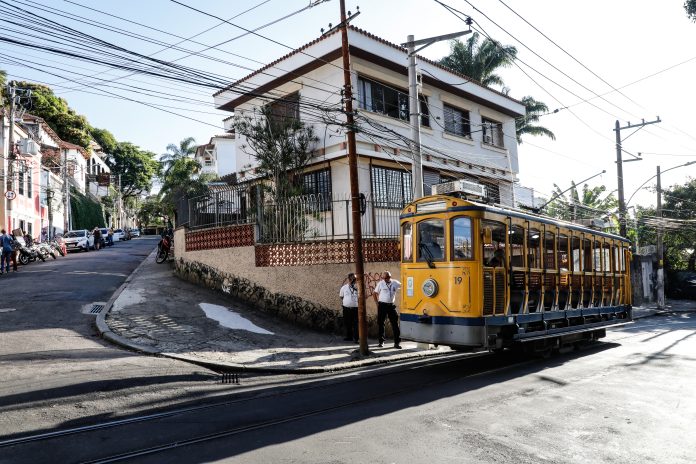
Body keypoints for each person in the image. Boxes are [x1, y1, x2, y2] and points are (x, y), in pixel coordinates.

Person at [373, 271, 402, 349]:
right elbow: (374, 293)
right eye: (384, 278)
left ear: (390, 277)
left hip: (391, 306)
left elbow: (404, 285)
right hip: (382, 305)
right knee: (381, 323)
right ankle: (381, 341)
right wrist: (377, 303)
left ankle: (397, 342)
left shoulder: (395, 283)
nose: (385, 279)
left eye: (387, 277)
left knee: (395, 323)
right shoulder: (381, 283)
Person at [339, 273, 359, 343]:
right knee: (348, 323)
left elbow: (362, 296)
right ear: (349, 279)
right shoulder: (344, 287)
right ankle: (349, 337)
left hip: (356, 308)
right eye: (352, 279)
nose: (353, 280)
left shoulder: (358, 287)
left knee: (356, 323)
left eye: (355, 279)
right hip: (347, 308)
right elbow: (341, 296)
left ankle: (356, 338)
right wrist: (347, 302)